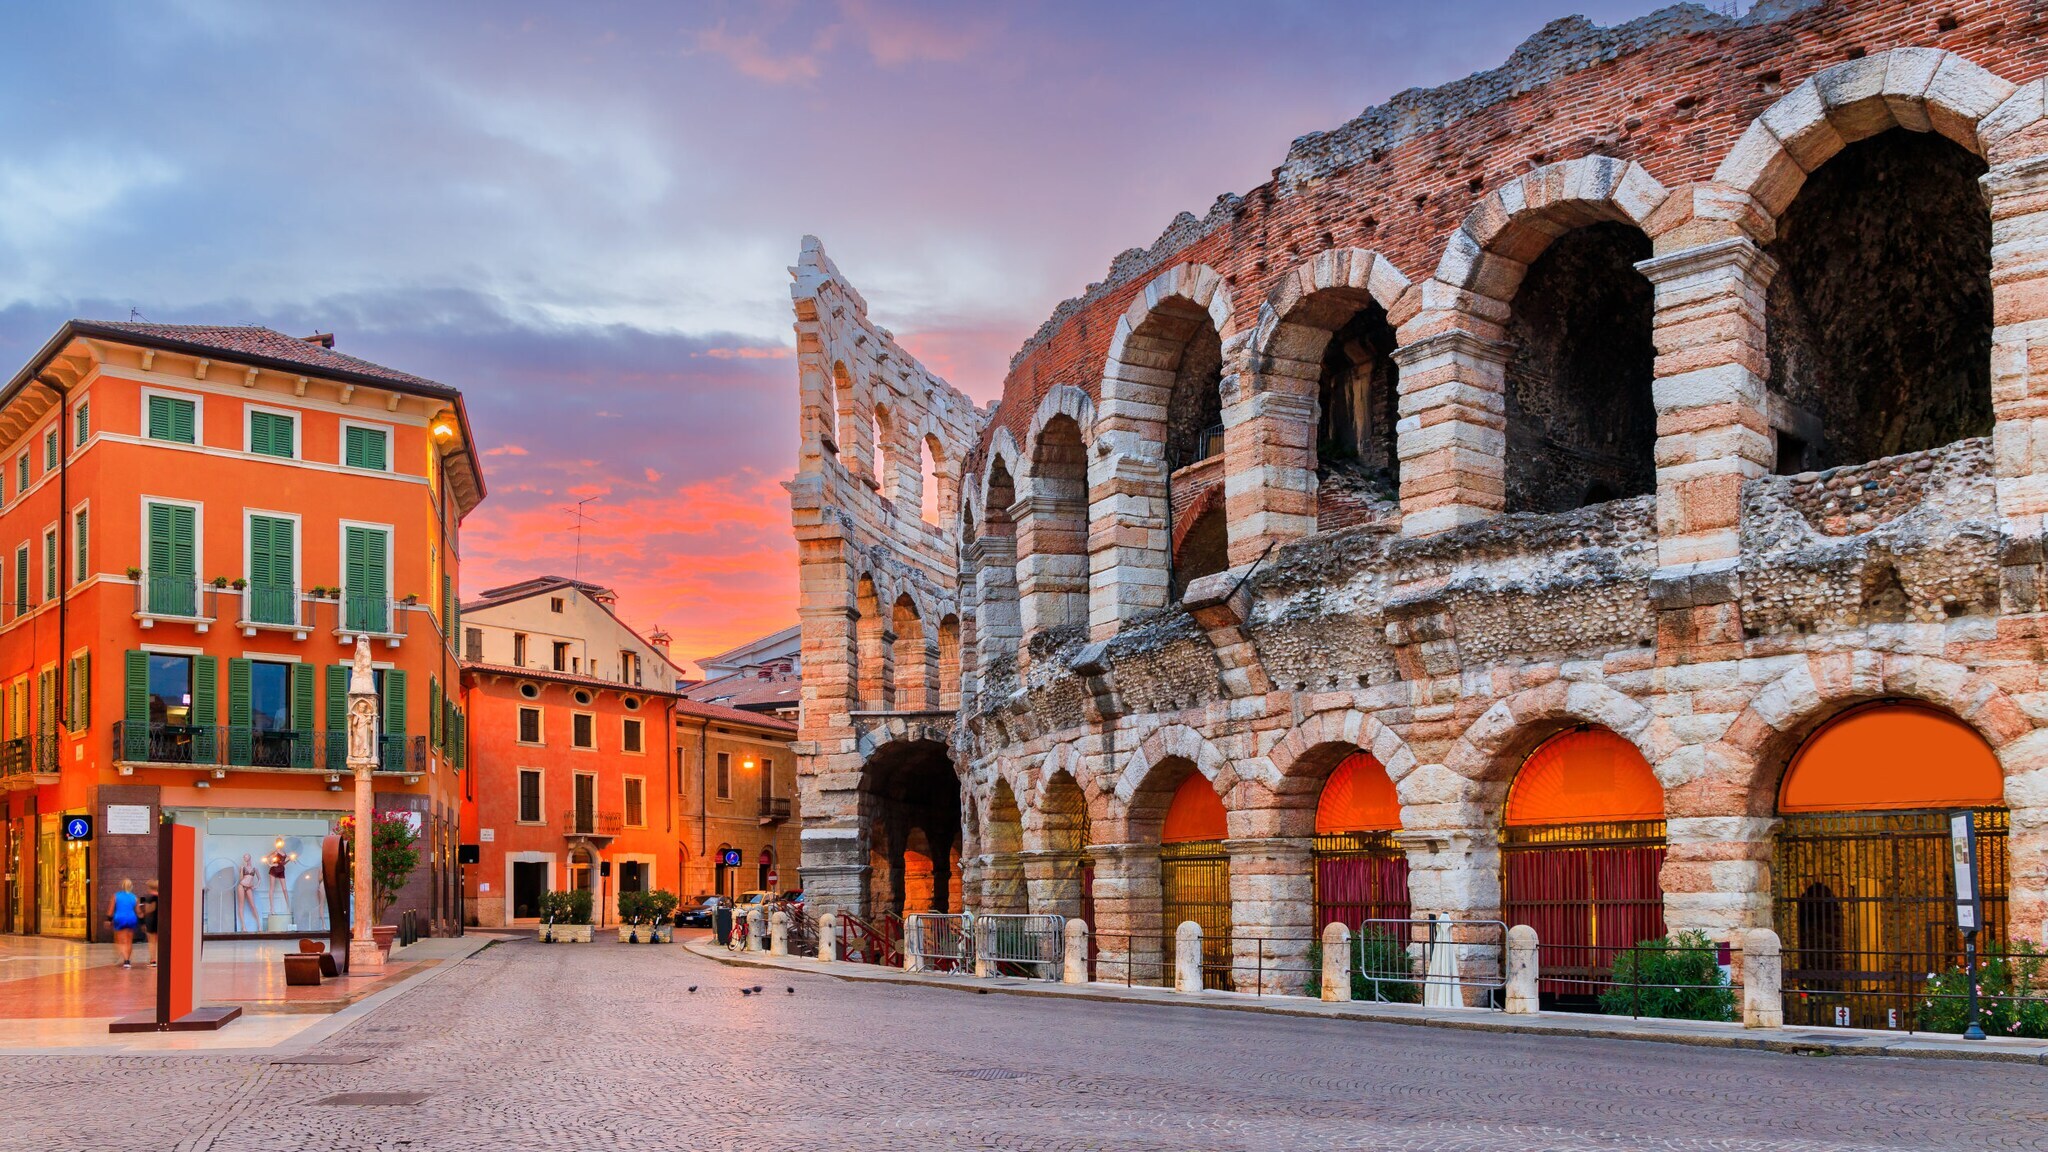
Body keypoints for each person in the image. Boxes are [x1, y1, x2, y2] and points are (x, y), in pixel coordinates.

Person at [107, 879, 141, 969]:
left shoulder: (115, 896)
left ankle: (121, 956)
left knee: (121, 940)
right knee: (129, 941)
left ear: (122, 886)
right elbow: (138, 911)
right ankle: (127, 961)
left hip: (119, 918)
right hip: (131, 918)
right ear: (131, 886)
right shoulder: (135, 897)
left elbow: (111, 910)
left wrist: (109, 920)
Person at [136, 880, 160, 968]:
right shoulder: (163, 896)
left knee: (152, 941)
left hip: (152, 920)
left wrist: (143, 909)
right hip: (161, 920)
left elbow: (150, 909)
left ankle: (153, 960)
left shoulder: (150, 897)